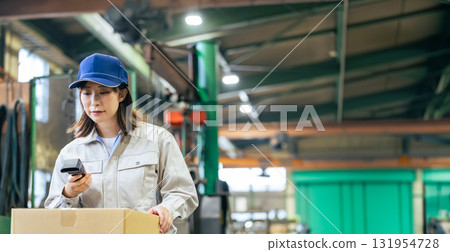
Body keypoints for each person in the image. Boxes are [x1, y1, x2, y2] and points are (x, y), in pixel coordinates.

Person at [44, 53, 198, 234]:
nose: (94, 101)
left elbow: (183, 192)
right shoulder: (71, 153)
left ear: (122, 94)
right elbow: (53, 215)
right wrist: (68, 193)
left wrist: (167, 209)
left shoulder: (158, 140)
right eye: (86, 93)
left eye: (103, 92)